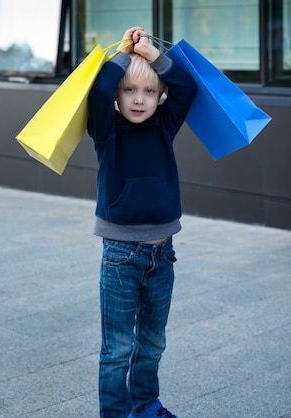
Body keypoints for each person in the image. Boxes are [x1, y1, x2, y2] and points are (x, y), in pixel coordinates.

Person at [87, 26, 197, 418]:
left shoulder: (164, 126)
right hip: (120, 256)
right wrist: (124, 53)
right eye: (130, 90)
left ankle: (146, 408)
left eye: (149, 91)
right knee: (117, 349)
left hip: (162, 254)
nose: (139, 99)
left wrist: (150, 53)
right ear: (118, 96)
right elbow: (99, 90)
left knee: (152, 343)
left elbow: (185, 85)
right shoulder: (106, 130)